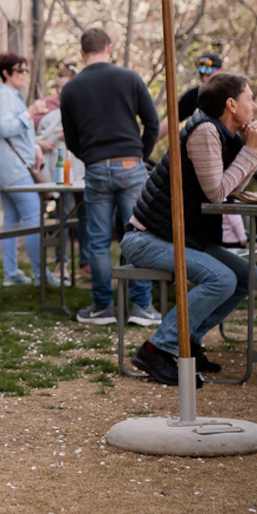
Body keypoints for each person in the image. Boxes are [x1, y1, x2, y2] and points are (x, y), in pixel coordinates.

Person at [122, 72, 257, 386]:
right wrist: (251, 151)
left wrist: (250, 148)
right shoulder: (204, 132)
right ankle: (157, 349)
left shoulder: (223, 134)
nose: (254, 104)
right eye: (249, 98)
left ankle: (189, 341)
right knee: (222, 279)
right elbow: (217, 192)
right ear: (231, 104)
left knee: (245, 277)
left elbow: (230, 188)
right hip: (146, 238)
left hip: (177, 235)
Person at [60, 28, 161, 326]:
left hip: (95, 167)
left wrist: (91, 158)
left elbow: (70, 139)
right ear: (109, 48)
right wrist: (140, 155)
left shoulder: (71, 89)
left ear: (82, 53)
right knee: (137, 238)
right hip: (130, 164)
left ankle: (102, 307)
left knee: (99, 242)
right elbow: (152, 123)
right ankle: (142, 306)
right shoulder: (129, 78)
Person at [0, 52, 49, 287]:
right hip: (13, 169)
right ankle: (41, 275)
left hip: (4, 167)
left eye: (25, 70)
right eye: (19, 70)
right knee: (33, 219)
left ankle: (10, 273)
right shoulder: (5, 97)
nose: (24, 74)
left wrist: (33, 145)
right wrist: (30, 113)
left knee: (11, 221)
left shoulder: (8, 96)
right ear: (6, 73)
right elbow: (4, 127)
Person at [33, 64, 82, 282]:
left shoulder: (85, 103)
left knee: (86, 216)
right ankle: (61, 263)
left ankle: (86, 263)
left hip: (83, 169)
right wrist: (41, 142)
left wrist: (74, 134)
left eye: (66, 85)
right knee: (62, 216)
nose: (62, 91)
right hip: (59, 171)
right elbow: (26, 133)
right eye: (58, 86)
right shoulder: (47, 107)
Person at [157, 52, 222, 142]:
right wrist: (145, 145)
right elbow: (170, 121)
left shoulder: (232, 93)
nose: (204, 78)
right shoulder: (193, 95)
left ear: (220, 71)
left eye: (208, 74)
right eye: (201, 74)